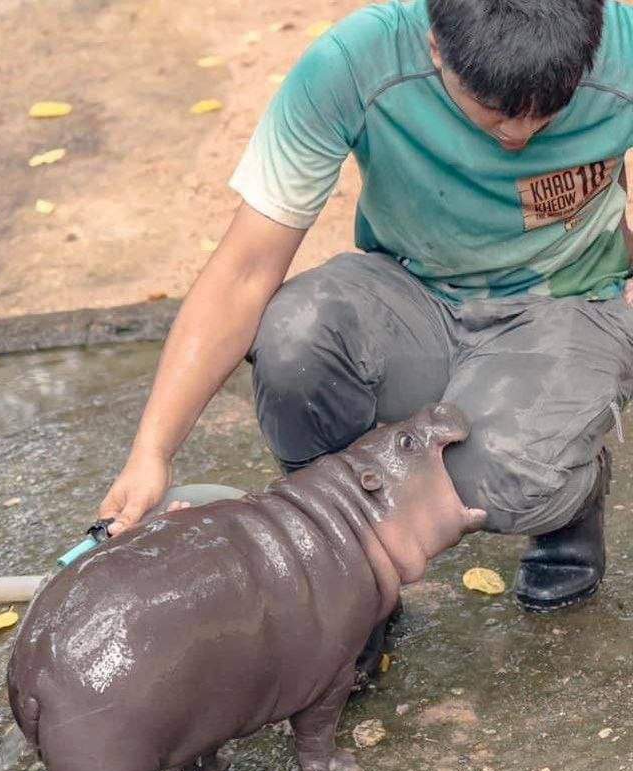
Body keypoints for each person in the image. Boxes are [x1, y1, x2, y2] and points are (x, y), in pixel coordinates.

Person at [100, 0, 633, 625]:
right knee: (296, 340)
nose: (518, 136)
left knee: (498, 483)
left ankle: (571, 485)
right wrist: (152, 451)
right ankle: (345, 566)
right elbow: (245, 271)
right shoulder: (352, 62)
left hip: (563, 305)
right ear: (436, 47)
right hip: (414, 291)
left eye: (548, 112)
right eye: (494, 113)